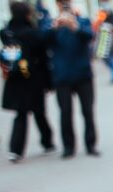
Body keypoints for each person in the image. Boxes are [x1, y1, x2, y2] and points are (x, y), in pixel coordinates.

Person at [0, 1, 55, 162]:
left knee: (21, 114)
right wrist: (49, 82)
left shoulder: (7, 32)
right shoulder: (33, 34)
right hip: (33, 79)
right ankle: (47, 142)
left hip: (15, 79)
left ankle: (15, 150)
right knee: (39, 112)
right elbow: (44, 58)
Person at [45, 0, 99, 157]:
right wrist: (55, 27)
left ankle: (91, 145)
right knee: (65, 113)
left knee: (88, 112)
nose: (64, 5)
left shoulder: (82, 22)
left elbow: (90, 36)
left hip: (83, 75)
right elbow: (42, 40)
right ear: (57, 4)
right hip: (62, 77)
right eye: (61, 2)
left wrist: (75, 27)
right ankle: (68, 147)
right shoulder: (51, 23)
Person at [96, 10, 113, 83]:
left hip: (111, 46)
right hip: (105, 46)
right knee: (108, 60)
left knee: (111, 60)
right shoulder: (104, 23)